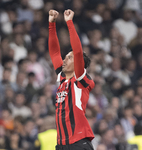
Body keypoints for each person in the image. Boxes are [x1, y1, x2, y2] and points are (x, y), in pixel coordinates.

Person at [48, 9, 95, 150]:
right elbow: (54, 52)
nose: (64, 59)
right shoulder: (62, 78)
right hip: (62, 145)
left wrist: (69, 22)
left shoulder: (81, 80)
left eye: (69, 57)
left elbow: (78, 51)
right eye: (66, 57)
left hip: (79, 142)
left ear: (78, 63)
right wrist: (52, 24)